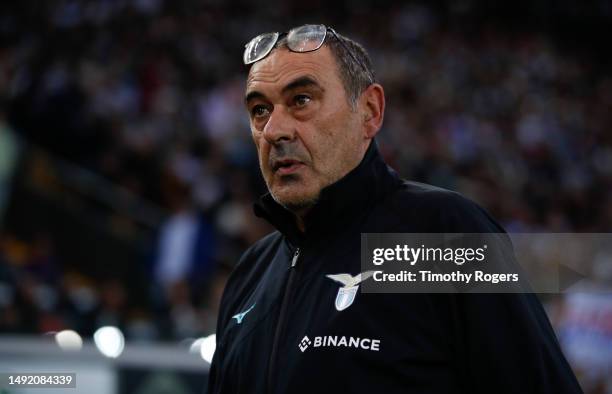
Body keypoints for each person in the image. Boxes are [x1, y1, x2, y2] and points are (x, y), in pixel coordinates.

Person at [206, 24, 583, 394]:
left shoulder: (442, 235)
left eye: (301, 100)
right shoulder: (251, 273)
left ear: (369, 111)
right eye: (259, 110)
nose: (274, 130)